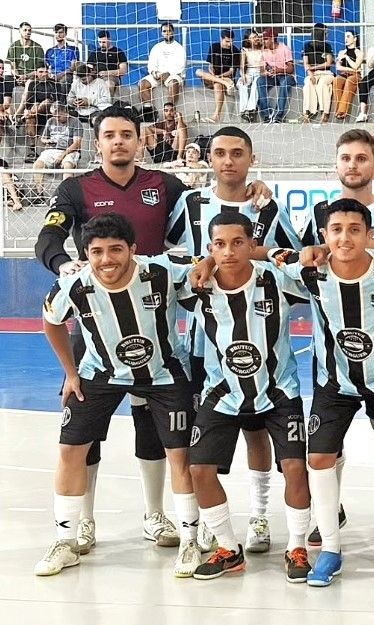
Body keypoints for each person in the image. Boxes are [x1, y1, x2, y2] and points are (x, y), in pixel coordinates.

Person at [34, 104, 272, 558]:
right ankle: (82, 523)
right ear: (98, 141)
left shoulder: (165, 186)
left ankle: (154, 515)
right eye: (109, 135)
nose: (118, 141)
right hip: (96, 324)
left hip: (154, 320)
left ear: (140, 140)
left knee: (155, 426)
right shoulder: (74, 188)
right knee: (87, 430)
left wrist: (250, 193)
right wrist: (69, 268)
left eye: (127, 134)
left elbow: (214, 210)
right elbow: (49, 238)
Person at [264, 199, 374, 588]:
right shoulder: (309, 273)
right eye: (336, 230)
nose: (345, 237)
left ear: (370, 234)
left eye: (355, 229)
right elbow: (261, 259)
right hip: (334, 383)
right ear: (324, 235)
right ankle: (330, 549)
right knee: (318, 457)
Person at [34, 214, 201, 578]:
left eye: (115, 249)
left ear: (133, 250)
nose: (107, 259)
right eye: (97, 252)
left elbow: (205, 264)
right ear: (85, 254)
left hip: (163, 373)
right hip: (100, 374)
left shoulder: (162, 271)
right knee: (70, 449)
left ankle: (190, 539)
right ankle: (65, 540)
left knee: (180, 455)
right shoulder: (73, 285)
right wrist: (70, 372)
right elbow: (50, 320)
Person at [165, 127, 299, 554]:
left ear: (251, 157)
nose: (228, 161)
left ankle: (259, 516)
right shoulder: (190, 203)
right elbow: (174, 256)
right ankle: (211, 523)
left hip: (261, 343)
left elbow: (287, 256)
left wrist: (240, 256)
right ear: (209, 158)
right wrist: (205, 259)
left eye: (237, 153)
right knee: (206, 440)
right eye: (219, 153)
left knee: (259, 432)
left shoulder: (267, 205)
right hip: (207, 346)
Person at [299, 130, 374, 551]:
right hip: (331, 350)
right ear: (336, 164)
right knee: (330, 434)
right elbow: (301, 259)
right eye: (345, 157)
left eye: (362, 158)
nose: (353, 165)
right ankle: (333, 509)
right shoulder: (317, 215)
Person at [186, 211, 312, 582]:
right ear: (209, 249)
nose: (228, 251)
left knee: (294, 467)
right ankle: (227, 547)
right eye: (219, 245)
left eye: (237, 243)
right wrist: (203, 263)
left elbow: (311, 267)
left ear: (252, 245)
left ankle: (297, 546)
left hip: (278, 390)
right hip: (222, 392)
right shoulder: (196, 284)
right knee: (199, 470)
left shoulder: (276, 280)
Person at [30, 103, 82, 195]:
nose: (56, 118)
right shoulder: (51, 121)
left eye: (58, 116)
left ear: (65, 112)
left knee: (68, 165)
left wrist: (62, 155)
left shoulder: (75, 122)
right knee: (37, 165)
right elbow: (42, 138)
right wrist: (48, 141)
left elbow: (76, 144)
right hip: (52, 150)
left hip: (69, 151)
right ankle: (39, 195)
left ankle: (67, 194)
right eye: (54, 116)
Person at [140, 22, 186, 114]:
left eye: (169, 31)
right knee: (143, 83)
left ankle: (169, 111)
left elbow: (181, 67)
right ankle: (149, 112)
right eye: (164, 31)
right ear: (161, 33)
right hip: (158, 75)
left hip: (173, 75)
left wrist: (168, 74)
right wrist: (154, 73)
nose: (167, 33)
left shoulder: (179, 48)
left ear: (173, 32)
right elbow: (151, 64)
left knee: (173, 83)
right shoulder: (157, 47)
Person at [195, 29, 239, 123]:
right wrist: (213, 74)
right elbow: (210, 66)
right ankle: (222, 82)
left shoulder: (235, 51)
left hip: (226, 78)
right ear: (221, 39)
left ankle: (216, 115)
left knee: (217, 85)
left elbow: (231, 71)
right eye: (227, 41)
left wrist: (220, 77)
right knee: (198, 71)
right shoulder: (214, 47)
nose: (229, 44)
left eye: (232, 41)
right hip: (214, 77)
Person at [14, 65, 59, 148]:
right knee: (30, 118)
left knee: (46, 102)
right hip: (37, 114)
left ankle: (24, 117)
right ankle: (32, 148)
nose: (44, 74)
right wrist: (33, 106)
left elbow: (56, 99)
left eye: (46, 72)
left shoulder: (54, 83)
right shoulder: (33, 84)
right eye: (41, 72)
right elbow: (29, 101)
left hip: (51, 112)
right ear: (36, 73)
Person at [257, 29, 296, 123]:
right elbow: (261, 70)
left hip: (285, 75)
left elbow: (291, 69)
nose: (263, 41)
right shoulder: (264, 51)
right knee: (260, 81)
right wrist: (265, 72)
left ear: (272, 38)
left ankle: (278, 115)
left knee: (285, 83)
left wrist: (279, 70)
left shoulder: (284, 49)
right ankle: (267, 114)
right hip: (272, 76)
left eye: (266, 39)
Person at [301, 23, 335, 123]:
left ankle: (325, 113)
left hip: (326, 73)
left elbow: (328, 63)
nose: (327, 34)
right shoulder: (307, 45)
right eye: (326, 32)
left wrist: (314, 67)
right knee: (308, 84)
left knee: (322, 85)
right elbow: (306, 63)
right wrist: (311, 73)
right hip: (312, 73)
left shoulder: (327, 46)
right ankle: (307, 112)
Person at [332, 31, 364, 120]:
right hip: (344, 74)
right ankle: (337, 109)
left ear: (355, 39)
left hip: (355, 75)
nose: (346, 39)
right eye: (345, 36)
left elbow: (356, 66)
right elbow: (338, 67)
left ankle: (342, 111)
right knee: (336, 80)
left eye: (348, 36)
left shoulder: (359, 53)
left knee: (349, 81)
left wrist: (347, 58)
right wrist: (351, 69)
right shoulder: (341, 52)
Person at [236, 29, 263, 123]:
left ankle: (251, 109)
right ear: (248, 40)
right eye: (253, 37)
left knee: (256, 84)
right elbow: (242, 65)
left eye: (256, 36)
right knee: (242, 84)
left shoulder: (262, 49)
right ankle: (243, 111)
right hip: (249, 71)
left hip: (260, 71)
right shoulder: (244, 50)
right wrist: (243, 75)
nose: (256, 39)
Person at [45, 23, 79, 90]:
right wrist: (49, 74)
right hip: (52, 76)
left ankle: (61, 100)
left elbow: (72, 68)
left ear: (65, 34)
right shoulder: (50, 51)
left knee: (65, 80)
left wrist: (59, 75)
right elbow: (46, 66)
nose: (58, 35)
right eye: (56, 32)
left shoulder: (73, 49)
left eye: (60, 32)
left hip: (65, 76)